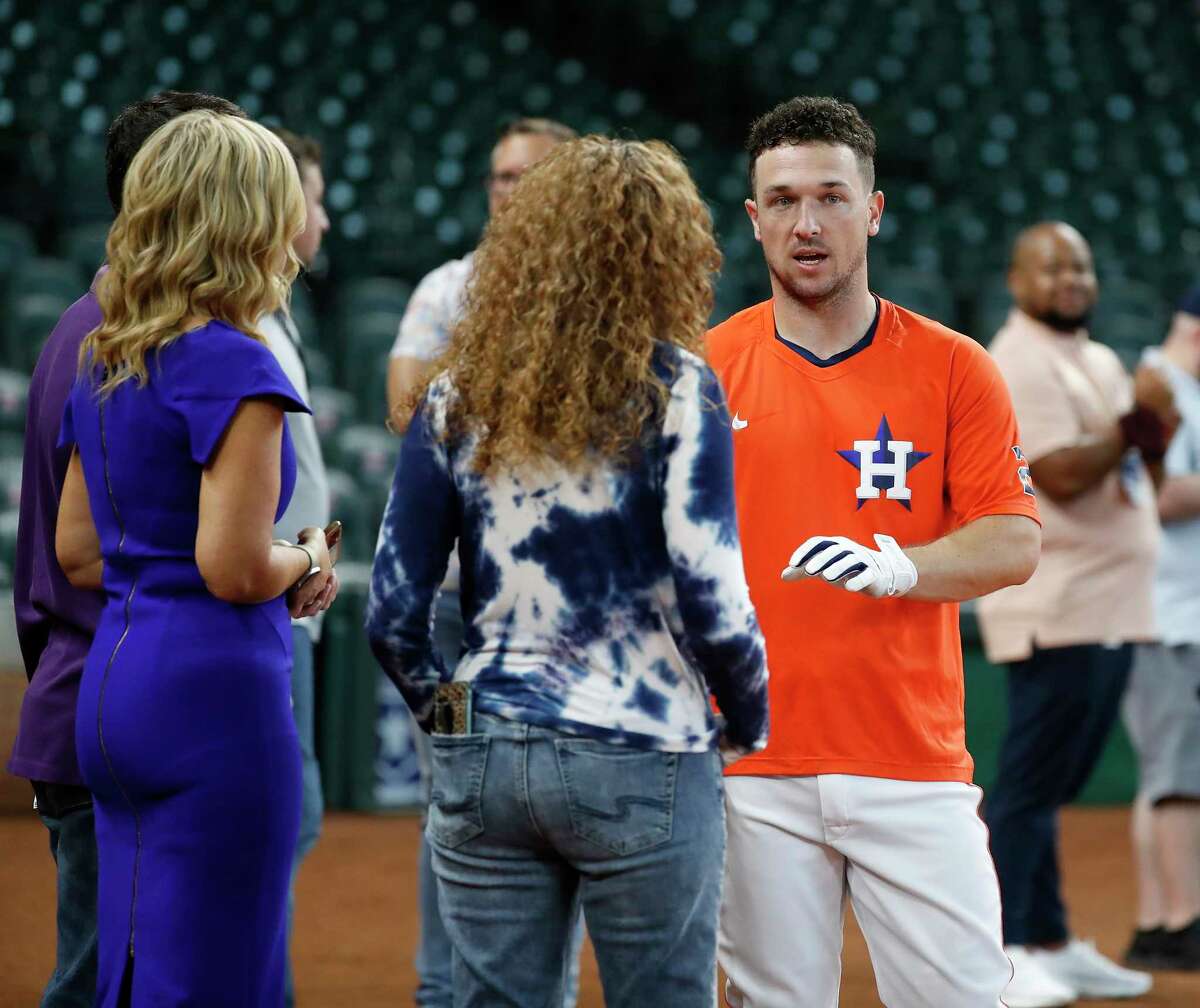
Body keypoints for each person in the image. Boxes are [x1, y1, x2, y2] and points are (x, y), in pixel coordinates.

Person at [366, 135, 770, 1008]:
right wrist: (745, 719)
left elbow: (393, 611)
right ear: (667, 253)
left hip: (488, 747)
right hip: (645, 747)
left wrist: (458, 722)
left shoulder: (455, 392)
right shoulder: (679, 387)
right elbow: (714, 594)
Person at [707, 96, 1042, 1008]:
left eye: (830, 197)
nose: (806, 224)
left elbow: (1014, 540)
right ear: (753, 217)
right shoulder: (703, 371)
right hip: (750, 766)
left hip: (910, 761)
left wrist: (905, 565)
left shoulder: (953, 365)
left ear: (875, 209)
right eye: (780, 201)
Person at [55, 110, 337, 1007]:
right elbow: (233, 569)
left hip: (117, 690)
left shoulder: (105, 356)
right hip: (215, 700)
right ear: (252, 219)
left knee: (130, 974)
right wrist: (299, 556)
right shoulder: (238, 363)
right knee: (224, 978)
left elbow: (78, 552)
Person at [7, 90, 245, 1008]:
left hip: (89, 696)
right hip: (127, 704)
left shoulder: (92, 323)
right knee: (115, 980)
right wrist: (278, 562)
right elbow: (93, 555)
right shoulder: (126, 341)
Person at [384, 114, 576, 1008]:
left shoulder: (603, 296)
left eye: (527, 176)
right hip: (463, 622)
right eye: (499, 177)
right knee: (456, 792)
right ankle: (438, 988)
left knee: (577, 806)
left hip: (578, 620)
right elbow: (406, 400)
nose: (508, 192)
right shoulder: (449, 285)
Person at [979, 221, 1171, 1004]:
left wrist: (1157, 424)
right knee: (1028, 787)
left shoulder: (1092, 356)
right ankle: (1004, 952)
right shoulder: (1014, 359)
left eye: (1081, 266)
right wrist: (1136, 421)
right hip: (1055, 603)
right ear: (1017, 279)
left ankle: (1050, 937)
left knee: (1052, 786)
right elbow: (1056, 476)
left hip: (1112, 605)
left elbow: (1139, 459)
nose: (1070, 278)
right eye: (1052, 267)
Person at [260, 125, 333, 1007]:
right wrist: (298, 558)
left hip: (289, 597)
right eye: (311, 198)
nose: (322, 217)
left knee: (292, 816)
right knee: (283, 818)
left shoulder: (281, 310)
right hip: (265, 597)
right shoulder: (246, 318)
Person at [1120, 285, 1200, 971]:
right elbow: (1163, 498)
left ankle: (1161, 921)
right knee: (1174, 778)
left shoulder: (1180, 386)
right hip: (1166, 614)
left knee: (1171, 777)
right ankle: (1175, 922)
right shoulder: (1156, 385)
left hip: (1179, 612)